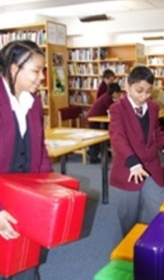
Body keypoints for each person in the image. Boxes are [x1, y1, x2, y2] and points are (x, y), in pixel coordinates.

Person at [0, 40, 52, 280]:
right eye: (36, 70)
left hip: (22, 198)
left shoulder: (34, 102)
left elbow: (39, 150)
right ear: (14, 69)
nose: (42, 77)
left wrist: (50, 189)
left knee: (24, 265)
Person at [109, 66, 164, 236]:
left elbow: (157, 131)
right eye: (139, 91)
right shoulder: (117, 109)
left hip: (152, 168)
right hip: (129, 170)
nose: (143, 96)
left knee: (158, 210)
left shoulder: (153, 107)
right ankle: (129, 249)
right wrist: (133, 162)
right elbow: (117, 137)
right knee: (128, 218)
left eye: (148, 92)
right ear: (127, 86)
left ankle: (153, 247)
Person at [86, 82, 122, 163]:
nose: (119, 96)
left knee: (104, 133)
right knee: (95, 137)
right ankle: (93, 156)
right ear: (114, 93)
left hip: (97, 118)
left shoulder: (108, 97)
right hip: (93, 119)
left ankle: (102, 151)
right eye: (118, 94)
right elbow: (112, 110)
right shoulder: (107, 99)